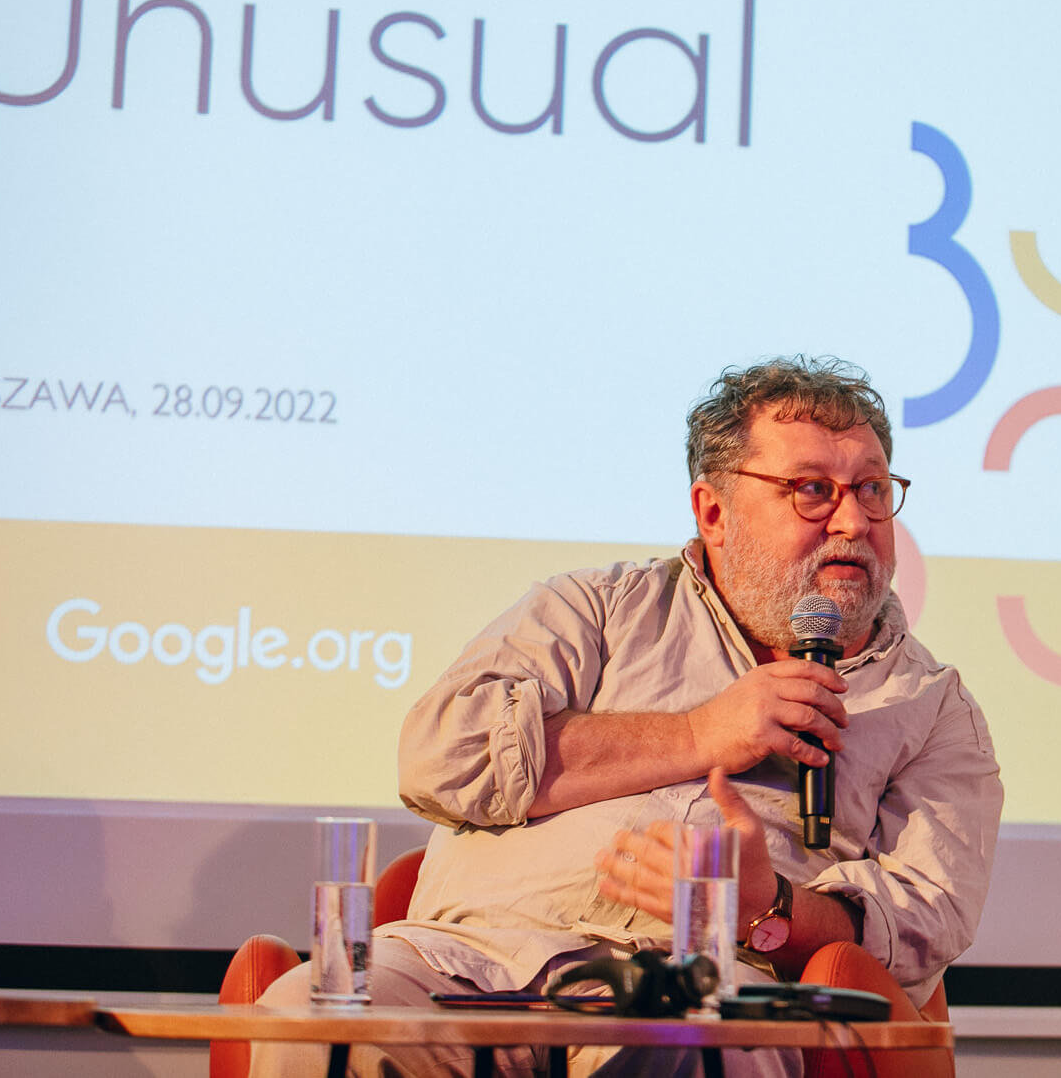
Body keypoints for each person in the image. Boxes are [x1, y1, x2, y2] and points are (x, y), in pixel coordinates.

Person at [256, 356, 1004, 1077]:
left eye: (872, 488)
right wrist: (698, 733)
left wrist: (769, 906)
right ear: (714, 511)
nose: (853, 520)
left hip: (702, 987)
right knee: (306, 1020)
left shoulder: (932, 707)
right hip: (474, 962)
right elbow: (439, 757)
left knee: (710, 1048)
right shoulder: (594, 609)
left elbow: (927, 918)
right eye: (812, 489)